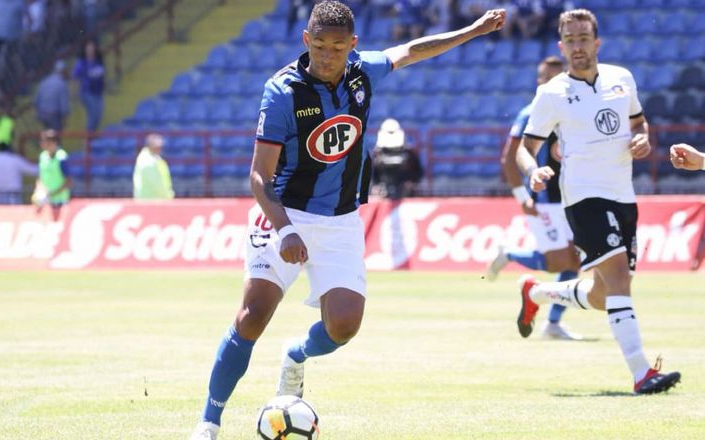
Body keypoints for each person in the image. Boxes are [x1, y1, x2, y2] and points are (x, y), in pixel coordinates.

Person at [189, 2, 506, 439]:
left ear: (352, 45)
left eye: (337, 47)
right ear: (306, 40)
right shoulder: (282, 91)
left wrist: (470, 31)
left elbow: (413, 50)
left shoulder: (363, 71)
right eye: (319, 45)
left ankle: (295, 355)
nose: (327, 55)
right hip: (284, 212)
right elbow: (259, 176)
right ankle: (208, 423)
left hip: (339, 220)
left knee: (344, 325)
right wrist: (285, 229)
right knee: (253, 315)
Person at [514, 9, 680, 394]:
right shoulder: (551, 93)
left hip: (624, 195)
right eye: (569, 40)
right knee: (620, 280)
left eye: (583, 38)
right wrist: (533, 172)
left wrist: (642, 138)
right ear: (561, 45)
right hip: (584, 198)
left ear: (596, 42)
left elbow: (639, 122)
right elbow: (527, 147)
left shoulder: (622, 79)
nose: (577, 46)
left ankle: (536, 292)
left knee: (605, 295)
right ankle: (642, 373)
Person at [487, 56, 581, 341]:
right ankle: (511, 255)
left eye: (557, 76)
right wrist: (522, 196)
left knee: (574, 262)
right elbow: (509, 158)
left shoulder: (573, 108)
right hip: (546, 200)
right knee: (559, 264)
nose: (551, 82)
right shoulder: (531, 111)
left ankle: (552, 323)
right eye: (546, 77)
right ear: (539, 82)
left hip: (572, 197)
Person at [371, 117, 423, 199]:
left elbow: (418, 172)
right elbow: (373, 174)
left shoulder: (409, 153)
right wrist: (376, 186)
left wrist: (411, 183)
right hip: (383, 192)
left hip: (405, 192)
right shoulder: (377, 154)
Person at [35, 129, 70, 221]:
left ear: (53, 142)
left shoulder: (61, 157)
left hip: (60, 201)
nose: (42, 143)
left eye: (44, 141)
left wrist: (52, 194)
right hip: (46, 201)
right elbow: (40, 177)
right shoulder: (42, 156)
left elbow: (68, 182)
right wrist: (39, 191)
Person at [73, 39, 105, 132]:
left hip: (98, 92)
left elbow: (101, 76)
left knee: (98, 116)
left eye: (92, 48)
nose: (90, 50)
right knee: (92, 115)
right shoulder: (81, 63)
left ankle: (93, 136)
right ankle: (88, 140)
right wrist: (75, 92)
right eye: (88, 48)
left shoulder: (98, 61)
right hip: (87, 92)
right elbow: (75, 77)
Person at [133, 133, 174, 200]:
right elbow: (156, 184)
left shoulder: (153, 158)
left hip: (153, 199)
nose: (159, 149)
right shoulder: (148, 161)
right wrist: (168, 195)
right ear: (150, 146)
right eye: (157, 147)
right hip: (150, 200)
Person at [35, 59, 70, 131]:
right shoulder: (62, 84)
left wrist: (38, 112)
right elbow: (63, 104)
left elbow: (37, 99)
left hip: (42, 113)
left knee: (47, 132)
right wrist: (65, 118)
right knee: (55, 135)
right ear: (63, 71)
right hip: (53, 115)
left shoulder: (45, 81)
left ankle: (46, 141)